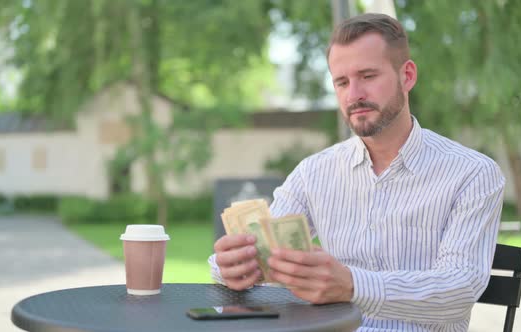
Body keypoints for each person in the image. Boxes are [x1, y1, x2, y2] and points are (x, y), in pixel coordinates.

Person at [209, 13, 505, 331]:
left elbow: (458, 290)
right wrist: (231, 267)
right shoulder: (313, 173)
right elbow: (261, 254)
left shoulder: (473, 174)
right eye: (342, 82)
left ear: (407, 76)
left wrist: (353, 285)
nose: (354, 95)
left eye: (367, 76)